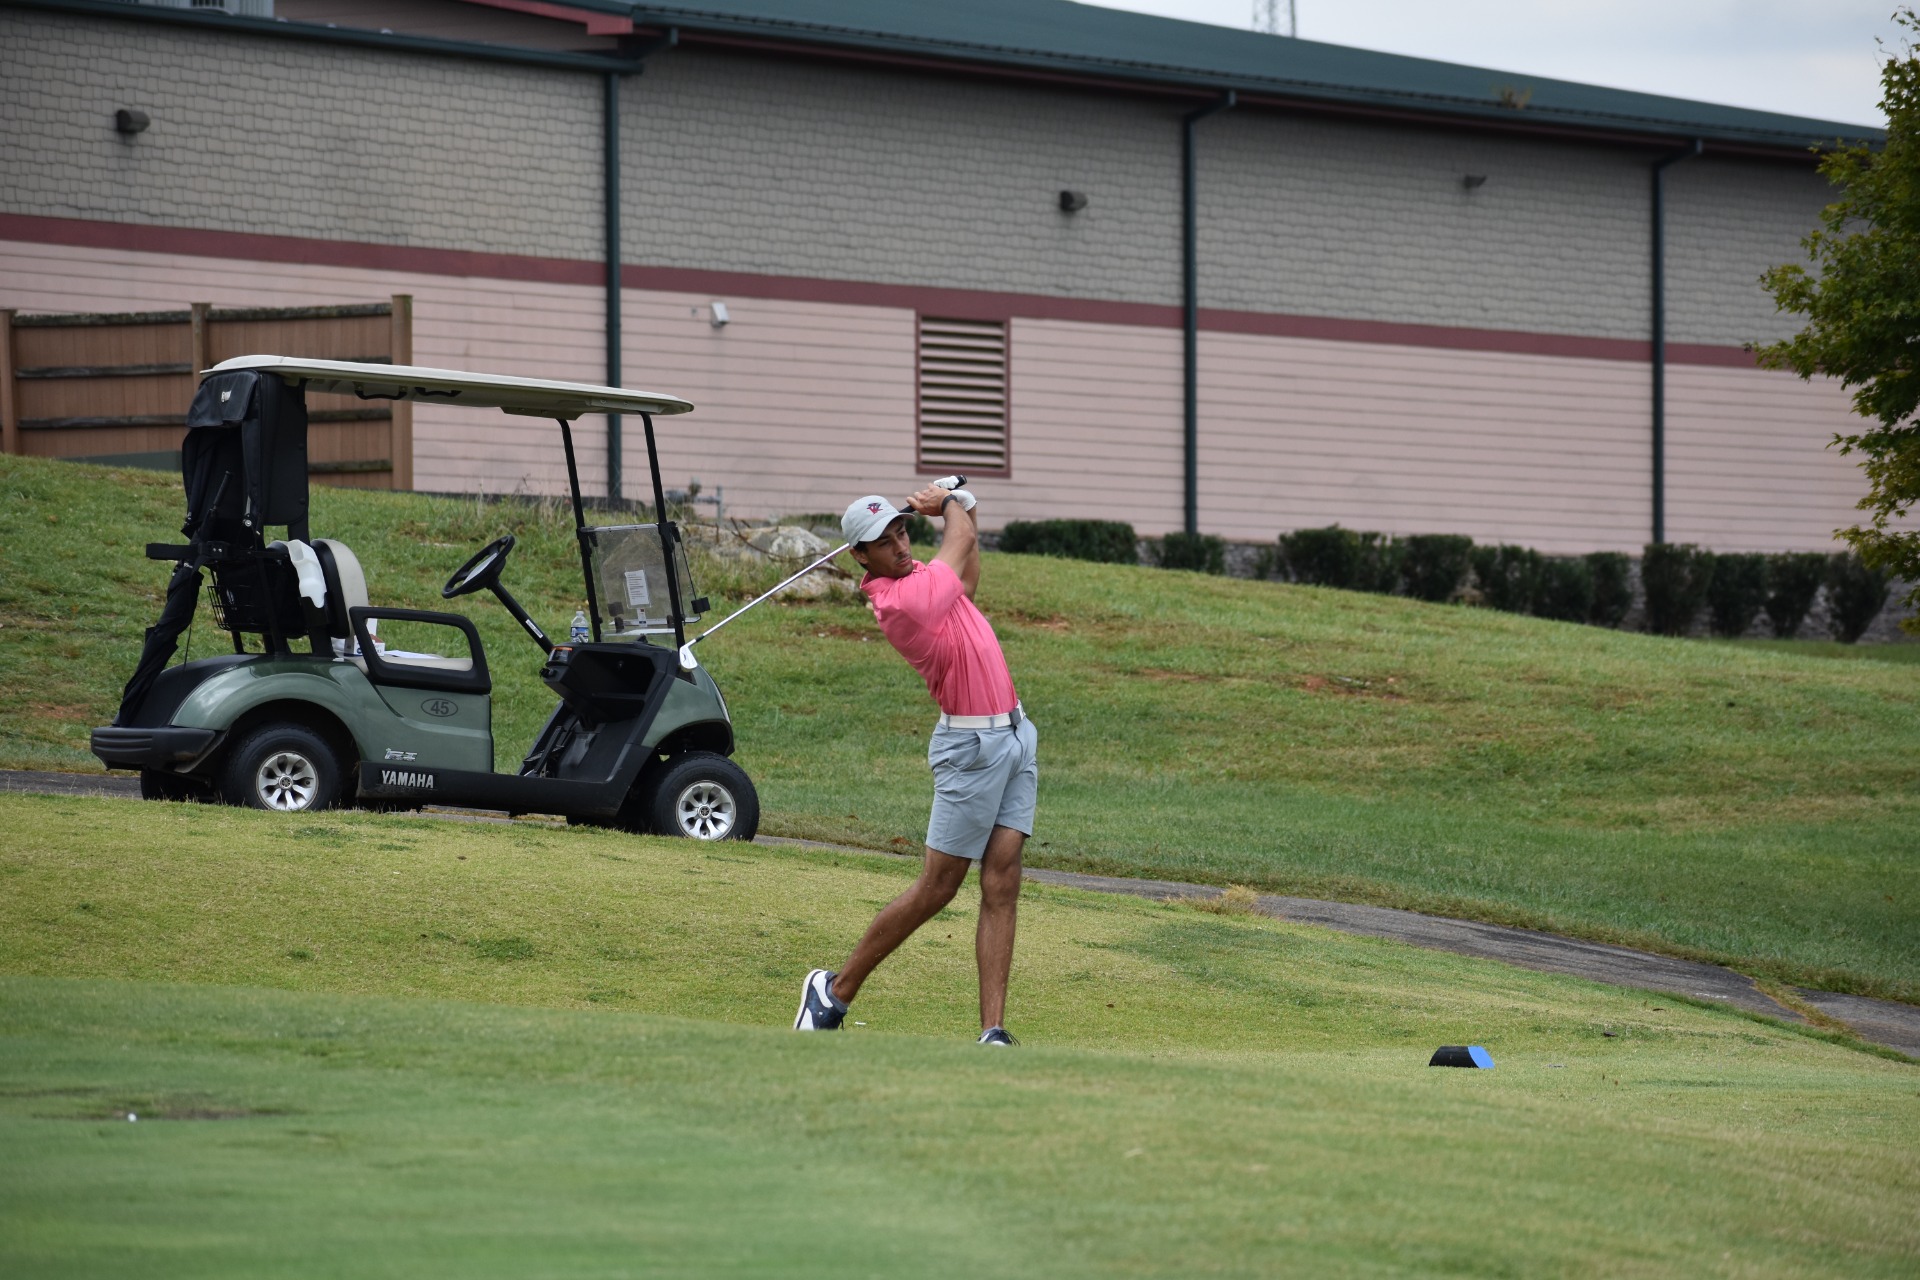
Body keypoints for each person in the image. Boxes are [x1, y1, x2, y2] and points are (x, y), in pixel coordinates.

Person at [794, 484, 1037, 1046]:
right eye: (885, 541)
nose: (901, 545)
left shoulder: (923, 577)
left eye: (902, 531)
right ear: (861, 555)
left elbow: (967, 578)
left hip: (1015, 736)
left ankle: (993, 1032)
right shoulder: (901, 602)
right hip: (970, 751)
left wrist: (964, 505)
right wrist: (951, 505)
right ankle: (833, 992)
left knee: (1002, 881)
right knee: (938, 888)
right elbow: (961, 540)